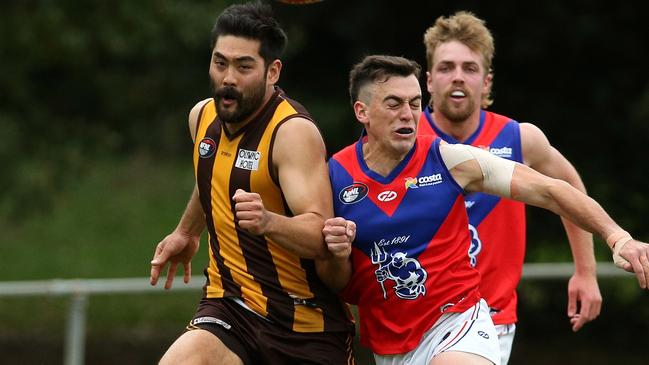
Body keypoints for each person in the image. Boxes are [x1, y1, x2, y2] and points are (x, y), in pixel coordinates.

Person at [316, 54, 649, 365]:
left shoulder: (448, 159)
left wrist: (617, 237)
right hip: (388, 343)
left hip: (459, 324)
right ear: (362, 112)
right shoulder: (334, 175)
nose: (408, 113)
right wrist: (332, 251)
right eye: (394, 103)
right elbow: (335, 280)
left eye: (415, 103)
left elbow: (550, 189)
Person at [149, 2, 355, 364]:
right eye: (220, 63)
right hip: (229, 309)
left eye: (244, 67)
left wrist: (269, 222)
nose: (228, 77)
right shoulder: (202, 117)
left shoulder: (292, 134)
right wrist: (187, 232)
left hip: (302, 324)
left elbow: (322, 235)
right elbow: (211, 177)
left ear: (272, 71)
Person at [418, 11, 601, 364]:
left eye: (469, 68)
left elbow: (568, 186)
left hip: (491, 317)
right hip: (418, 321)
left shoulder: (518, 139)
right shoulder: (404, 142)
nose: (458, 78)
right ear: (428, 80)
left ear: (486, 82)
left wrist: (586, 271)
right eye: (446, 67)